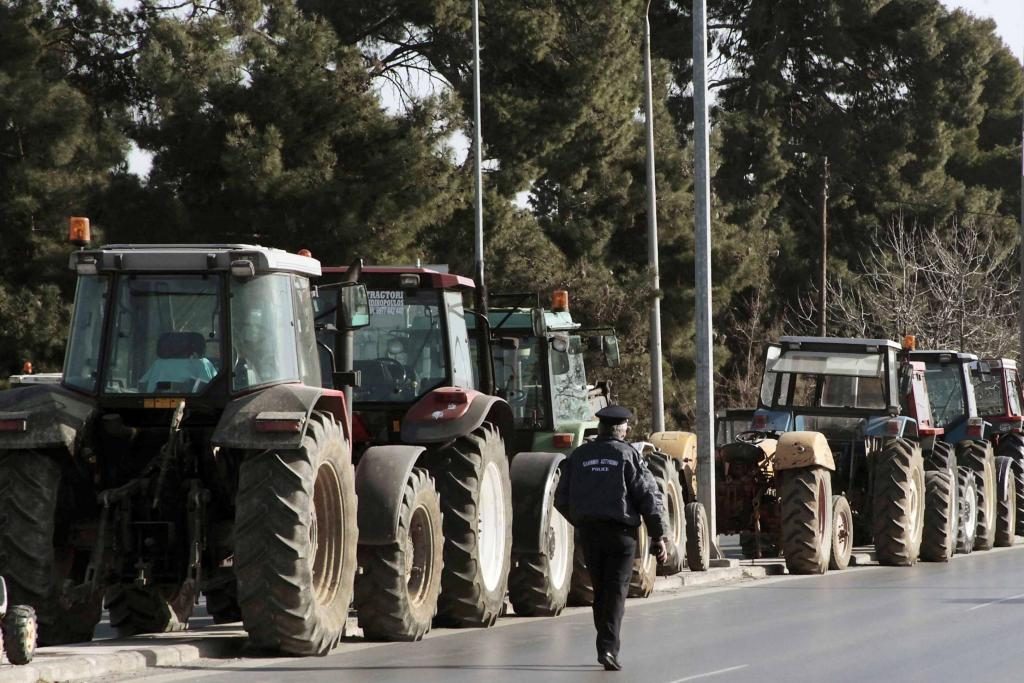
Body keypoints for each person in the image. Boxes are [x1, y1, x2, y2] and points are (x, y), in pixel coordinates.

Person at [554, 405, 668, 672]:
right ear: (622, 429)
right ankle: (607, 648)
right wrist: (658, 535)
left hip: (590, 534)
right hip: (621, 536)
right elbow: (648, 496)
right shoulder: (628, 455)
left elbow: (561, 498)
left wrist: (580, 519)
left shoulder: (579, 456)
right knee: (615, 592)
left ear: (601, 428)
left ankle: (604, 643)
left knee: (601, 591)